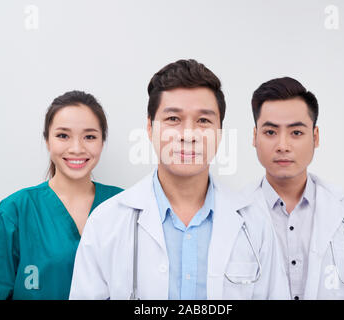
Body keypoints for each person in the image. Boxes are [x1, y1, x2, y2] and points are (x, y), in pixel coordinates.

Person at [69, 59, 289, 300]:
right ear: (150, 128)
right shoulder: (106, 222)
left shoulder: (255, 224)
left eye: (203, 120)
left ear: (220, 132)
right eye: (173, 119)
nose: (188, 134)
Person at [0, 90, 123, 300]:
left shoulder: (124, 206)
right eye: (63, 135)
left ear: (102, 142)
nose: (76, 148)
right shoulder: (17, 209)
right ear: (47, 140)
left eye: (90, 136)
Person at [246, 77, 344, 299]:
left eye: (296, 133)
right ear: (255, 137)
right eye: (271, 132)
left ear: (315, 137)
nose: (283, 146)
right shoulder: (234, 213)